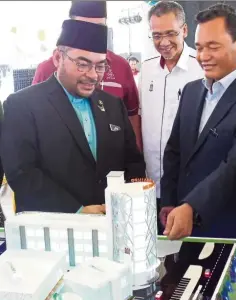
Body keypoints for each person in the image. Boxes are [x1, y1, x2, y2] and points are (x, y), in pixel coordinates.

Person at [160, 3, 236, 241]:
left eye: (213, 47)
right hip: (189, 230)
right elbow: (175, 151)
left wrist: (192, 207)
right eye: (199, 48)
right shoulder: (191, 91)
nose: (203, 56)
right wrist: (169, 201)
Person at [1, 19, 145, 214]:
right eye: (83, 64)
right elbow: (22, 172)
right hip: (55, 231)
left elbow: (133, 161)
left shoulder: (112, 105)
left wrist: (125, 205)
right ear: (58, 58)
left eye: (100, 66)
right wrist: (77, 212)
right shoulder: (22, 105)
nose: (93, 75)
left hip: (113, 223)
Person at [32, 1, 142, 151]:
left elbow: (132, 114)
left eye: (98, 27)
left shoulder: (121, 66)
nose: (91, 34)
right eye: (83, 27)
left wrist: (136, 152)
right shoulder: (47, 69)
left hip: (112, 162)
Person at [138, 1, 203, 231]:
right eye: (156, 35)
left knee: (188, 255)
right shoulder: (145, 70)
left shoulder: (202, 68)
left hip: (190, 186)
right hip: (151, 184)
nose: (163, 42)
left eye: (170, 34)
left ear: (184, 31)